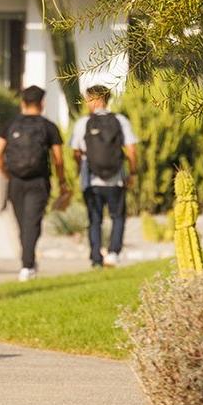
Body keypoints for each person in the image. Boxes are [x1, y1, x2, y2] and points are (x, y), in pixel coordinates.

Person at [0, 86, 70, 281]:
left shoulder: (10, 124)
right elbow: (58, 159)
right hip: (39, 180)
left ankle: (27, 263)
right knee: (33, 223)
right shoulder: (49, 127)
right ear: (42, 104)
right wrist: (62, 182)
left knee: (22, 224)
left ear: (22, 103)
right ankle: (28, 265)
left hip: (16, 180)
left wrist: (5, 172)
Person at [70, 84, 139, 268]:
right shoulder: (120, 120)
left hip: (91, 179)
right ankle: (113, 253)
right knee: (118, 216)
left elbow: (75, 152)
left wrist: (80, 168)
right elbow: (132, 149)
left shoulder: (83, 123)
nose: (86, 103)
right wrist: (132, 172)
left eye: (87, 99)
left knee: (95, 218)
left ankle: (96, 258)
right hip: (116, 179)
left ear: (96, 99)